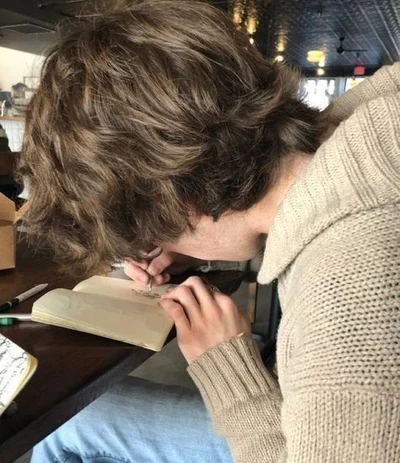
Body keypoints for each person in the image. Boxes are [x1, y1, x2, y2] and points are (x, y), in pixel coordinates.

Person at [18, 1, 399, 462]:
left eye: (156, 230)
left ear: (181, 202)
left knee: (64, 427)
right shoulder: (364, 131)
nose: (159, 245)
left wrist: (231, 376)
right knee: (76, 422)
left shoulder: (349, 311)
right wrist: (202, 238)